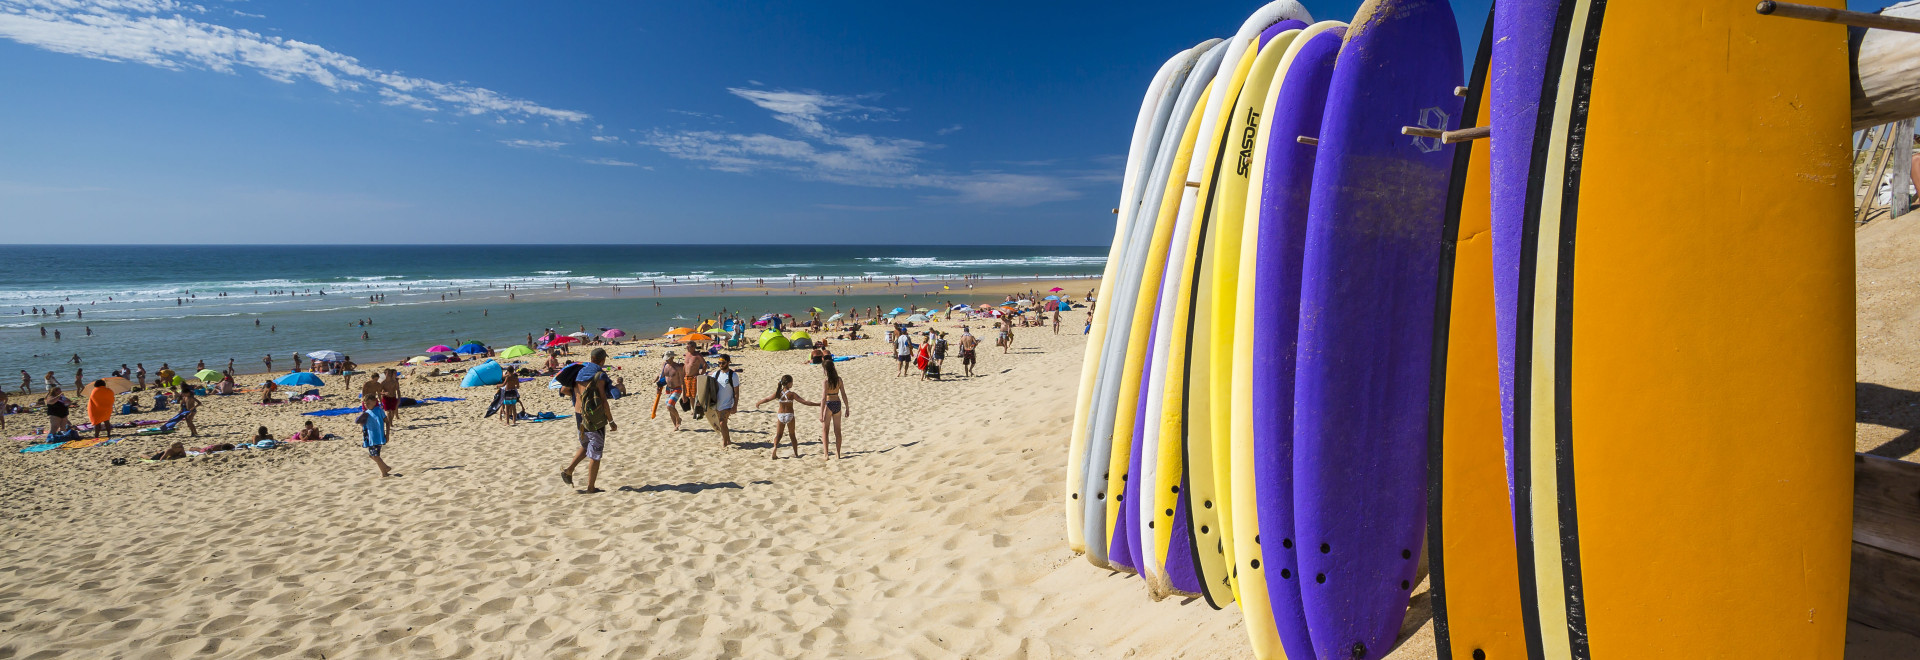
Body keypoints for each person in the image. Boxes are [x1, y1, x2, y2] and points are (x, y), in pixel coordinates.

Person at [562, 348, 616, 494]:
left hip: (578, 414)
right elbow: (603, 401)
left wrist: (579, 396)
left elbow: (564, 390)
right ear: (602, 360)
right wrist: (611, 421)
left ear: (591, 358)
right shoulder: (599, 375)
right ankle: (591, 488)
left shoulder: (578, 372)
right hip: (593, 416)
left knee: (586, 445)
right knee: (596, 451)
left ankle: (568, 470)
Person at [756, 374, 817, 460]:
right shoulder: (792, 394)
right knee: (792, 435)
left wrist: (759, 402)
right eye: (792, 382)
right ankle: (796, 454)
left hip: (780, 415)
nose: (792, 384)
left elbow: (767, 399)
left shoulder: (778, 393)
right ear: (788, 383)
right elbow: (805, 402)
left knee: (778, 435)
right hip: (789, 415)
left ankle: (775, 447)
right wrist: (819, 404)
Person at [358, 380, 394, 477]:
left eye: (368, 403)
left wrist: (387, 435)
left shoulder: (378, 410)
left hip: (378, 437)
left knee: (375, 456)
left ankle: (385, 470)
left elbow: (387, 422)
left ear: (374, 402)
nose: (366, 405)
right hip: (370, 437)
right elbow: (364, 424)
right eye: (365, 404)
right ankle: (385, 470)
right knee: (372, 455)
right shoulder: (366, 412)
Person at [818, 360, 850, 460]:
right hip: (837, 403)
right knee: (837, 430)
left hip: (828, 404)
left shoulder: (826, 381)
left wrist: (821, 413)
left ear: (825, 370)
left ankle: (826, 454)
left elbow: (823, 398)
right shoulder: (839, 379)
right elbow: (843, 394)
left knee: (825, 430)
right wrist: (847, 407)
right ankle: (838, 453)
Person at [710, 354, 742, 447]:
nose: (721, 365)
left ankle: (724, 443)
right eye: (719, 363)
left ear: (728, 362)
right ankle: (728, 441)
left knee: (722, 423)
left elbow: (736, 392)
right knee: (722, 424)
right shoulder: (716, 374)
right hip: (717, 404)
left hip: (727, 403)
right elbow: (710, 388)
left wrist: (735, 406)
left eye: (723, 363)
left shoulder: (733, 375)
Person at [658, 353, 684, 431]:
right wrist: (658, 387)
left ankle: (678, 419)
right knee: (670, 408)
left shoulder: (678, 367)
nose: (666, 360)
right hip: (668, 389)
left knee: (669, 406)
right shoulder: (665, 366)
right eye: (666, 359)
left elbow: (682, 381)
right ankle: (676, 425)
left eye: (668, 359)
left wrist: (684, 394)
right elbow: (662, 377)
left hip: (677, 389)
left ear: (672, 358)